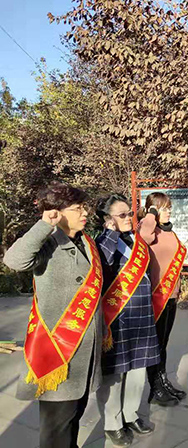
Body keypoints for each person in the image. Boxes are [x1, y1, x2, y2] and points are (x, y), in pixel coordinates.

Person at [2, 182, 103, 448]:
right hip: (58, 350)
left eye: (84, 207)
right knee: (56, 427)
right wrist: (44, 224)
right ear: (57, 212)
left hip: (85, 348)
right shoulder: (47, 242)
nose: (85, 213)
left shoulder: (86, 241)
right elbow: (14, 261)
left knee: (74, 416)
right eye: (77, 208)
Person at [95, 194, 163, 446]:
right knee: (115, 374)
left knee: (137, 369)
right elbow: (103, 263)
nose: (128, 218)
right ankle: (112, 423)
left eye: (130, 214)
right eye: (121, 215)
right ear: (107, 218)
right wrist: (111, 233)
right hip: (117, 317)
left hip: (141, 314)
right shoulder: (101, 241)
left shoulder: (135, 239)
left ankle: (131, 414)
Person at [139, 192, 188, 404]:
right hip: (156, 297)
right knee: (155, 344)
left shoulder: (169, 231)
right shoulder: (148, 230)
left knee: (163, 343)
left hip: (171, 296)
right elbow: (143, 236)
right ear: (153, 210)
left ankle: (163, 382)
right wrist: (151, 213)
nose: (168, 212)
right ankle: (155, 389)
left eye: (169, 208)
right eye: (163, 208)